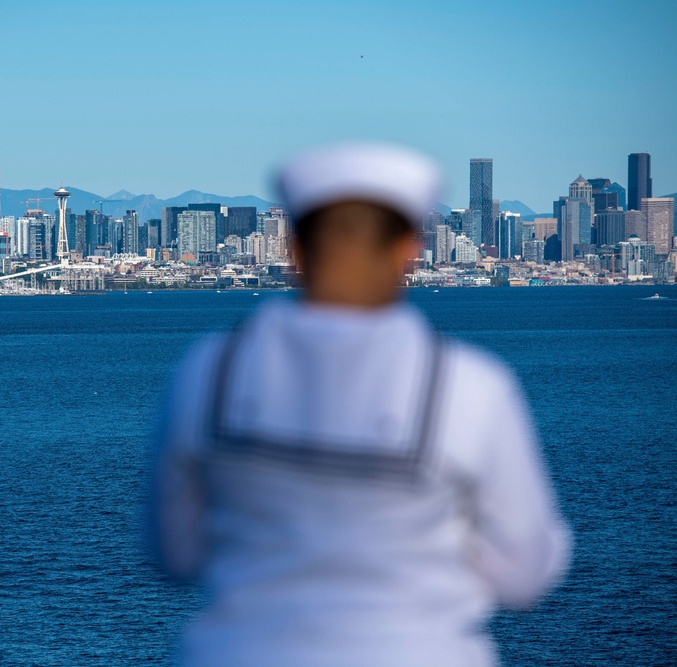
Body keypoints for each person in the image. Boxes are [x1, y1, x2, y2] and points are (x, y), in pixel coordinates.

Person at [146, 144, 571, 667]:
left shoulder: (208, 372)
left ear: (294, 250)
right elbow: (523, 577)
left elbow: (175, 554)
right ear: (408, 253)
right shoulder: (470, 386)